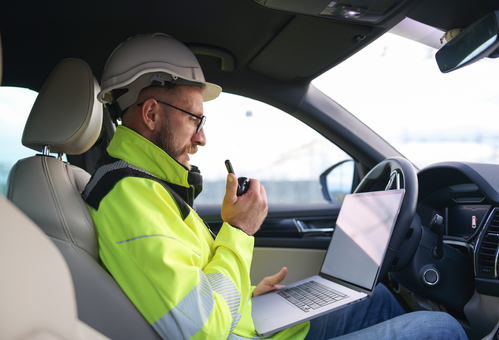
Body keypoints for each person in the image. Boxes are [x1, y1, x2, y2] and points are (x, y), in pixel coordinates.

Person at [82, 33, 467, 340]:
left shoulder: (148, 186)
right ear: (150, 113)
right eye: (194, 121)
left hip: (248, 324)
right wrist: (238, 230)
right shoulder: (128, 196)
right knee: (442, 329)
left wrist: (246, 297)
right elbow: (200, 329)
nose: (202, 139)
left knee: (379, 297)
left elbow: (191, 288)